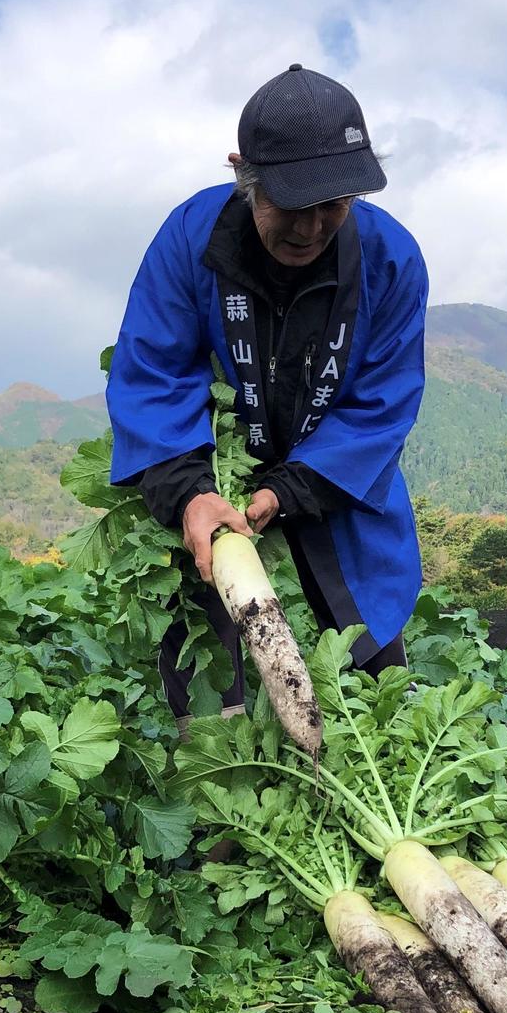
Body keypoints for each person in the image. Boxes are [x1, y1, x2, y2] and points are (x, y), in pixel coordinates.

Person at [107, 63, 429, 722]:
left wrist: (291, 489)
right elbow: (155, 373)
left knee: (370, 641)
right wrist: (191, 491)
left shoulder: (392, 261)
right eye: (291, 207)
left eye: (333, 206)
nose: (311, 230)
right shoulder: (190, 241)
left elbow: (381, 403)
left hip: (333, 470)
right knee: (202, 630)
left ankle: (390, 746)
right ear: (242, 174)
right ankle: (215, 775)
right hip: (213, 467)